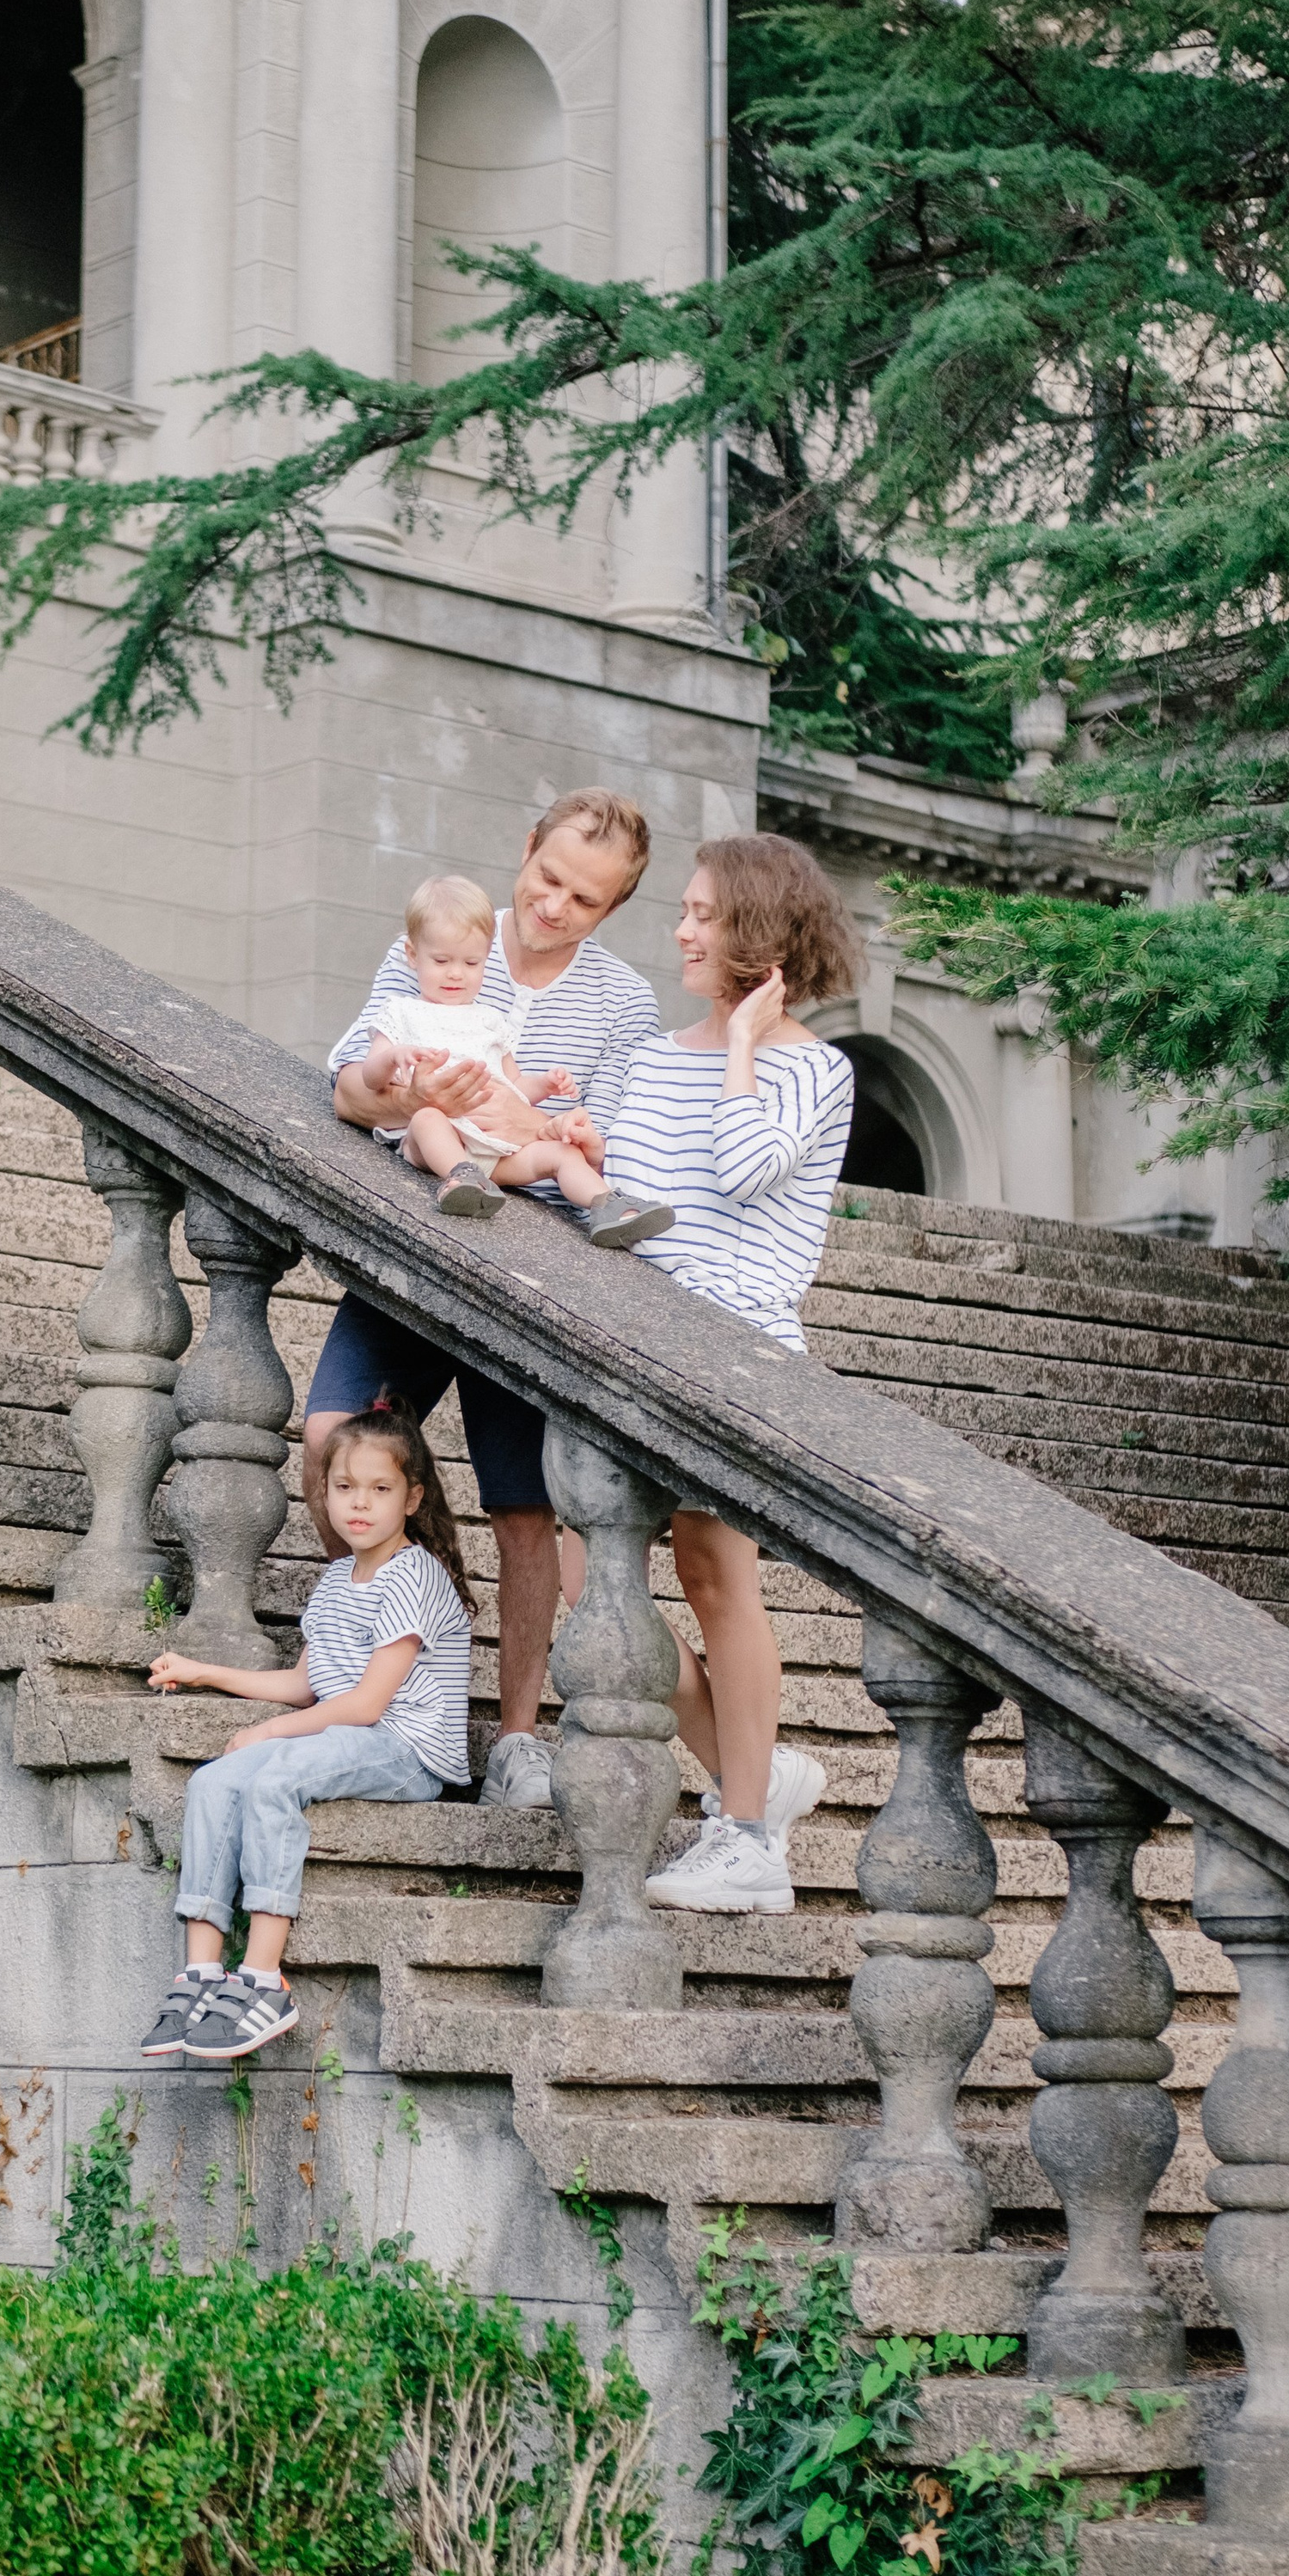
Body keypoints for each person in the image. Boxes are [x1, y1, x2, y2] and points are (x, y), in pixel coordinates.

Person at [312, 789, 659, 1811]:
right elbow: (348, 1089)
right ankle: (386, 1656)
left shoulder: (623, 1003)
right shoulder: (444, 934)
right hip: (418, 1243)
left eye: (584, 900)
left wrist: (559, 1127)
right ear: (526, 849)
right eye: (547, 879)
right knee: (328, 1441)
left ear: (613, 907)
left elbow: (601, 1137)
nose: (554, 906)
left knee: (526, 1515)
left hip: (532, 1270)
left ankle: (514, 1737)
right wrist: (416, 1094)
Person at [598, 833, 860, 1917]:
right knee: (588, 1580)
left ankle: (747, 1839)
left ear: (760, 927)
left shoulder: (815, 1069)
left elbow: (747, 1170)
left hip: (735, 1350)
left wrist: (745, 1042)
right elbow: (614, 1194)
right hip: (625, 1343)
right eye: (684, 911)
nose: (682, 931)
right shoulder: (651, 1056)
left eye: (704, 914)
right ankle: (750, 1778)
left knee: (715, 1579)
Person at [137, 1400, 473, 2065]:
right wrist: (205, 1672)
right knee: (213, 1782)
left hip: (408, 1749)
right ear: (325, 1492)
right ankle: (200, 1975)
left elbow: (368, 1705)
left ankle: (263, 1981)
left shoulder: (414, 1575)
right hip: (348, 1735)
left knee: (275, 1778)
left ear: (412, 1498)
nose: (359, 1503)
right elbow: (304, 1683)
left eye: (380, 1489)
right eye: (344, 1487)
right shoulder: (337, 1579)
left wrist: (269, 1733)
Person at [362, 871, 674, 1244]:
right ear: (413, 956)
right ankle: (459, 1179)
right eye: (442, 961)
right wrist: (394, 1057)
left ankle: (608, 1205)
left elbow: (515, 1086)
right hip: (436, 1144)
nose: (456, 974)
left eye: (472, 964)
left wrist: (545, 1085)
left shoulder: (489, 1019)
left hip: (495, 1154)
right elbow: (369, 1077)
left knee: (561, 1153)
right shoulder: (401, 1011)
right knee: (428, 1117)